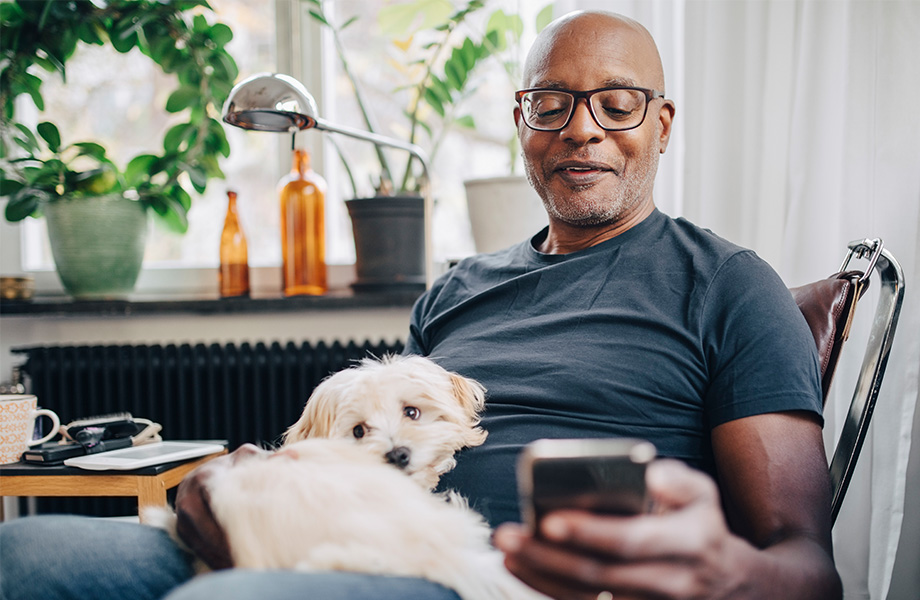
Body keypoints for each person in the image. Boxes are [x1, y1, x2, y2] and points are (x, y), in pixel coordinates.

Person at [0, 9, 841, 600]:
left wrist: (722, 574)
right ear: (522, 122)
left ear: (662, 126)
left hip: (487, 579)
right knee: (22, 555)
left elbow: (806, 568)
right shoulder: (453, 292)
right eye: (552, 103)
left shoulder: (731, 286)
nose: (582, 128)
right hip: (343, 542)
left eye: (616, 104)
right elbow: (380, 447)